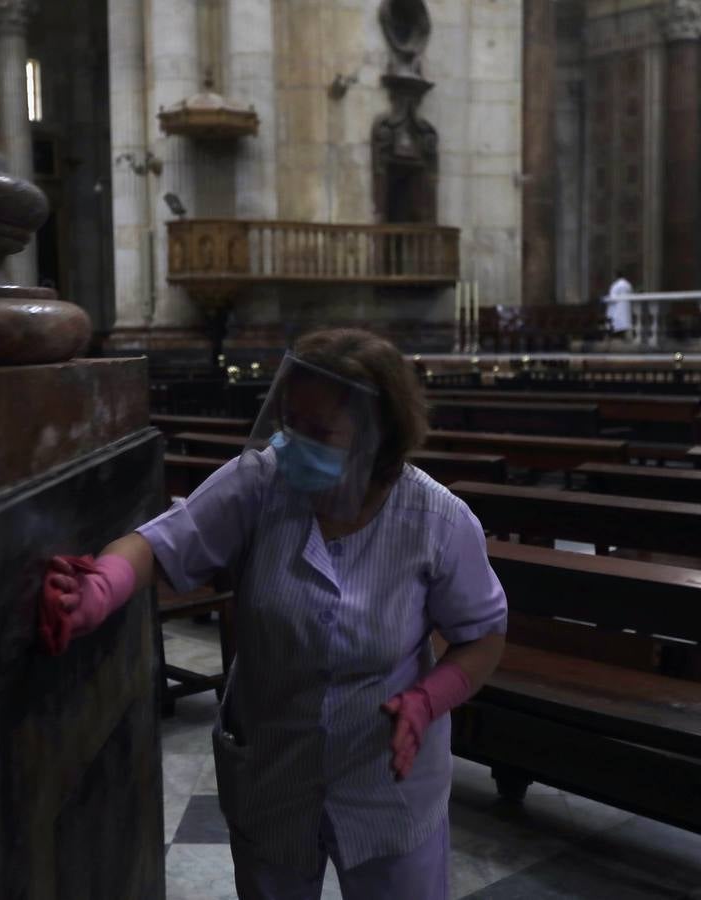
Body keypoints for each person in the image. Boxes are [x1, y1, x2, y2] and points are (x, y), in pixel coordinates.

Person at [41, 328, 507, 899]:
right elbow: (160, 543)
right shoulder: (263, 480)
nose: (293, 444)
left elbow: (483, 636)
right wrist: (99, 590)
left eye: (318, 433)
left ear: (375, 436)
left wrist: (426, 699)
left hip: (385, 774)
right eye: (290, 423)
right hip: (273, 766)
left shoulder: (437, 519)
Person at [604, 269, 634, 337]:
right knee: (625, 322)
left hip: (617, 308)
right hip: (626, 307)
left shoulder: (616, 285)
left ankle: (616, 335)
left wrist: (606, 299)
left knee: (617, 322)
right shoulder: (628, 284)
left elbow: (613, 298)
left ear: (616, 276)